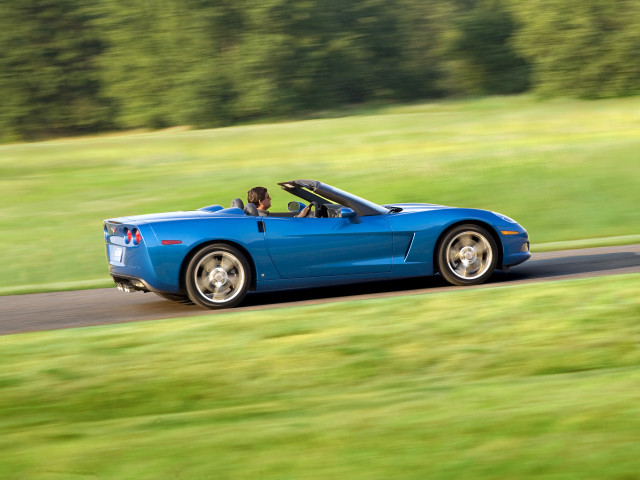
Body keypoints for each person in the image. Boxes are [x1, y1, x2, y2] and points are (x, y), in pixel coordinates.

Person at [247, 186, 311, 217]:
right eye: (268, 197)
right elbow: (284, 230)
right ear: (261, 202)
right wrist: (300, 217)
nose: (270, 199)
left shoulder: (253, 215)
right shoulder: (263, 218)